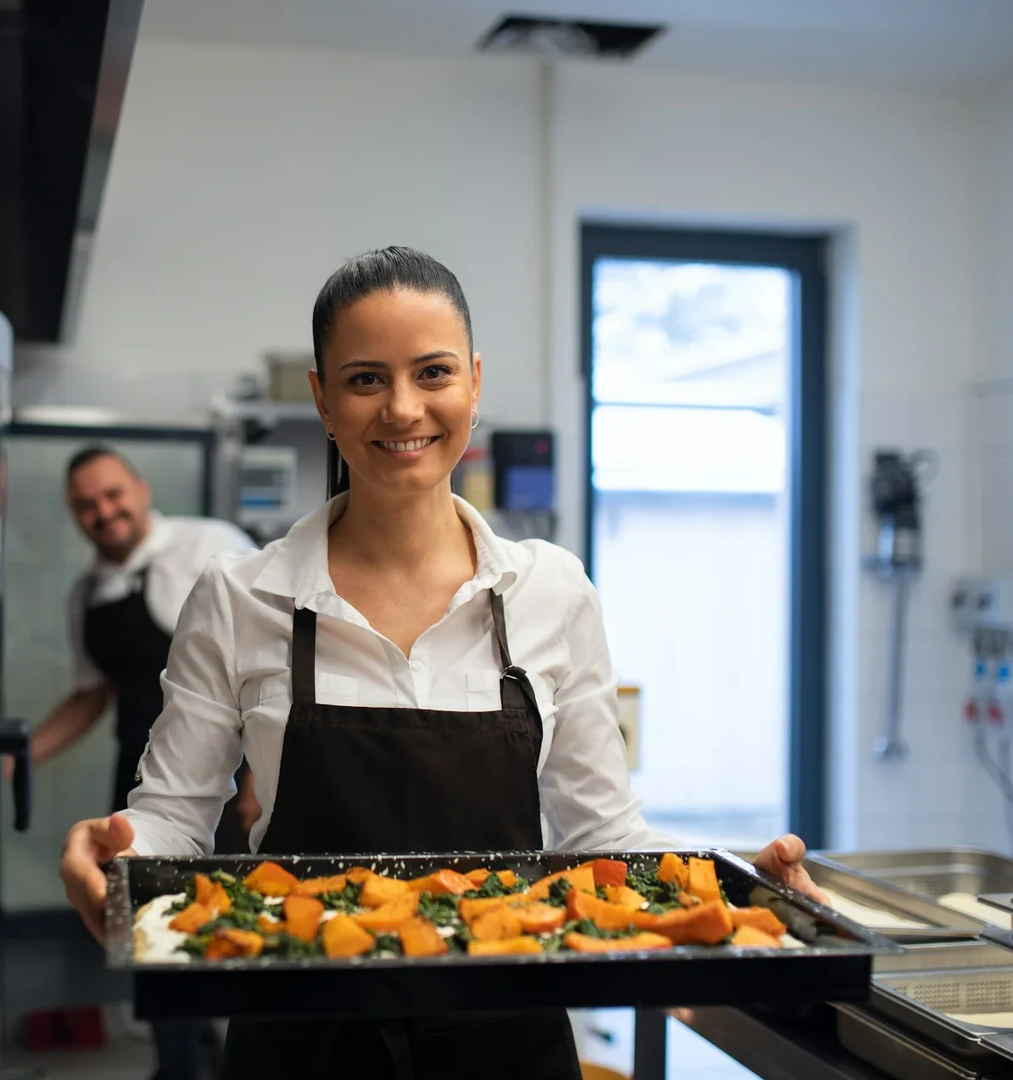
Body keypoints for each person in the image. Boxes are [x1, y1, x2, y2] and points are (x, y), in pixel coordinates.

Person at [59, 247, 826, 1078]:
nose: (402, 408)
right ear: (321, 398)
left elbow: (602, 835)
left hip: (508, 1044)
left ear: (474, 383)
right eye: (363, 379)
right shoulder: (242, 598)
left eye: (433, 373)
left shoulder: (551, 590)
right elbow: (174, 819)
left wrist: (742, 890)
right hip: (300, 1046)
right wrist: (116, 860)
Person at [34, 446, 255, 1080]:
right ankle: (178, 1065)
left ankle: (232, 1057)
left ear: (140, 487)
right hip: (137, 781)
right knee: (153, 932)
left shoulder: (208, 546)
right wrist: (18, 759)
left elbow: (274, 663)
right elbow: (91, 694)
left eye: (112, 495)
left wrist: (262, 775)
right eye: (87, 506)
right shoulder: (87, 595)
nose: (104, 513)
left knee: (231, 924)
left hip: (228, 778)